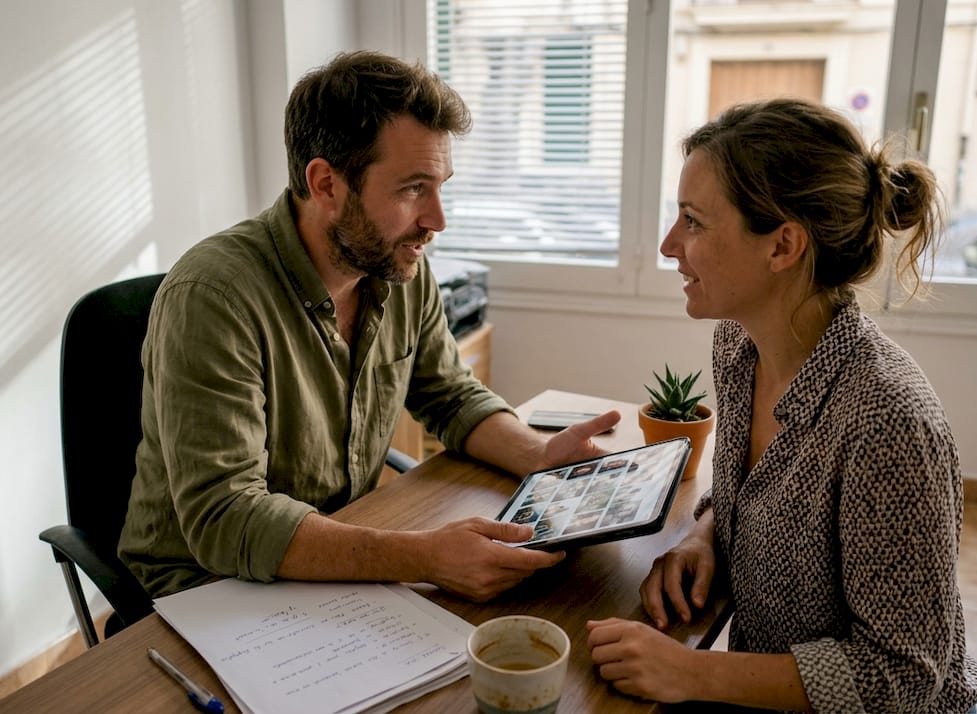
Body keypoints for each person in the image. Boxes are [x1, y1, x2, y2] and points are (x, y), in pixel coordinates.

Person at [118, 50, 620, 602]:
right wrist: (426, 555)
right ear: (326, 184)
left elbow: (448, 395)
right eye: (412, 189)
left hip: (331, 559)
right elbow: (225, 518)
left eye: (439, 186)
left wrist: (537, 455)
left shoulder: (399, 265)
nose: (436, 221)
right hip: (207, 589)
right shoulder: (212, 298)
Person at [586, 98, 977, 712]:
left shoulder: (888, 422)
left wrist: (692, 674)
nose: (669, 245)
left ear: (783, 246)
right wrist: (705, 535)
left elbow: (903, 679)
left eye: (693, 221)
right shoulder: (738, 347)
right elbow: (754, 492)